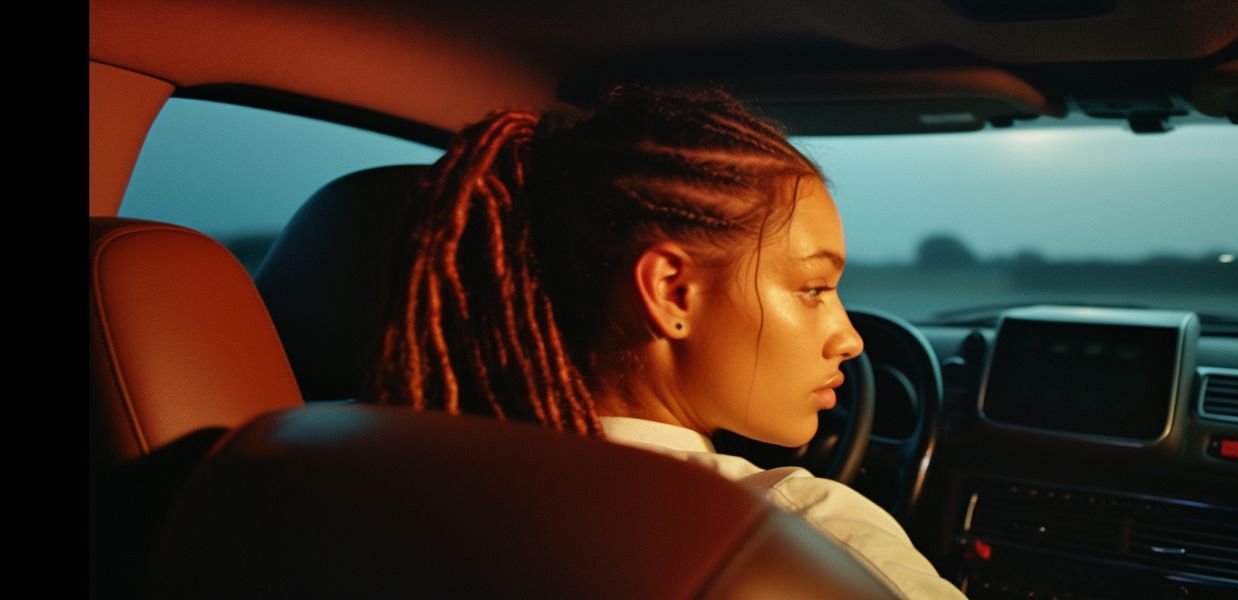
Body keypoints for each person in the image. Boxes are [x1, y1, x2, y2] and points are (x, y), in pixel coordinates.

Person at [364, 85, 967, 599]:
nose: (851, 339)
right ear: (672, 292)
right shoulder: (804, 527)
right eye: (813, 288)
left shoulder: (395, 496)